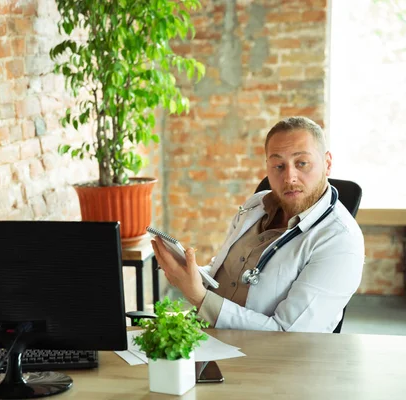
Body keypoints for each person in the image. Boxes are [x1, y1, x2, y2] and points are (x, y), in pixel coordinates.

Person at [152, 116, 365, 333]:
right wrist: (189, 273)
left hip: (266, 359)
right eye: (278, 165)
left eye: (302, 163)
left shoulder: (340, 241)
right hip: (206, 336)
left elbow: (289, 334)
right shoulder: (255, 206)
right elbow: (225, 275)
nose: (290, 177)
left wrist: (199, 297)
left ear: (327, 163)